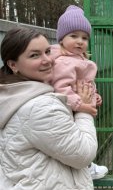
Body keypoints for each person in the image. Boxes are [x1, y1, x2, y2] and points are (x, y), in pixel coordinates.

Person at [0, 27, 97, 189]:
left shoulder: (12, 95)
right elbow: (83, 154)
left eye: (47, 51)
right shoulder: (40, 108)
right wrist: (83, 109)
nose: (48, 60)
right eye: (34, 55)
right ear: (13, 64)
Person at [50, 5, 108, 180]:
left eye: (84, 37)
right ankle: (85, 167)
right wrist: (81, 105)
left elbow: (86, 83)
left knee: (83, 138)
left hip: (79, 107)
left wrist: (94, 95)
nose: (80, 41)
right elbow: (61, 88)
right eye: (73, 36)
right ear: (61, 39)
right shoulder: (64, 62)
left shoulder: (79, 58)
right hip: (70, 110)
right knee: (76, 141)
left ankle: (87, 166)